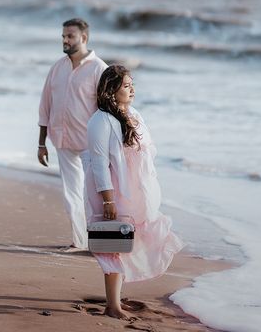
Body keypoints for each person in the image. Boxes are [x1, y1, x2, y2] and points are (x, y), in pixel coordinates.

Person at [85, 65, 184, 319]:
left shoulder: (134, 114)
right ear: (110, 90)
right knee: (112, 244)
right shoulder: (100, 120)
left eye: (132, 85)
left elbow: (145, 151)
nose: (132, 90)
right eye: (126, 86)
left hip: (135, 189)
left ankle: (116, 298)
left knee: (128, 240)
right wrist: (107, 200)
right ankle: (112, 306)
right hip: (112, 191)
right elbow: (99, 163)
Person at [38, 18, 107, 250]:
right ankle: (79, 242)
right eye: (63, 36)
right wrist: (41, 143)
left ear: (84, 38)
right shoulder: (57, 68)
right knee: (71, 195)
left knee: (92, 196)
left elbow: (107, 109)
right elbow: (45, 104)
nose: (65, 40)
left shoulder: (99, 68)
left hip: (91, 143)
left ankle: (97, 242)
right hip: (62, 139)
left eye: (70, 36)